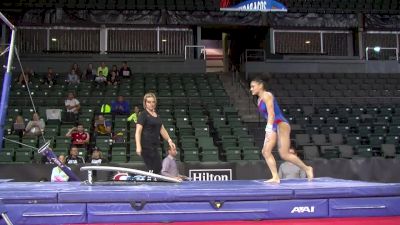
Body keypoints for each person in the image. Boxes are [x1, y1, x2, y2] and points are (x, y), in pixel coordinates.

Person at [250, 78, 313, 183]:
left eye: (253, 86)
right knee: (265, 151)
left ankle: (307, 168)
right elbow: (268, 117)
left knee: (284, 154)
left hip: (280, 123)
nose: (251, 89)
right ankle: (275, 177)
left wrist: (268, 129)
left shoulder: (267, 95)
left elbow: (272, 114)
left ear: (260, 85)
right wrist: (269, 129)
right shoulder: (259, 100)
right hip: (273, 125)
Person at [135, 93, 176, 174]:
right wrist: (138, 146)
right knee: (152, 168)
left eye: (153, 102)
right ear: (145, 103)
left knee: (158, 168)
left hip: (154, 146)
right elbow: (138, 132)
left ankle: (154, 184)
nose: (151, 104)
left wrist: (169, 140)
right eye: (149, 102)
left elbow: (162, 129)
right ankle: (148, 184)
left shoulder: (157, 115)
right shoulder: (143, 115)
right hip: (146, 146)